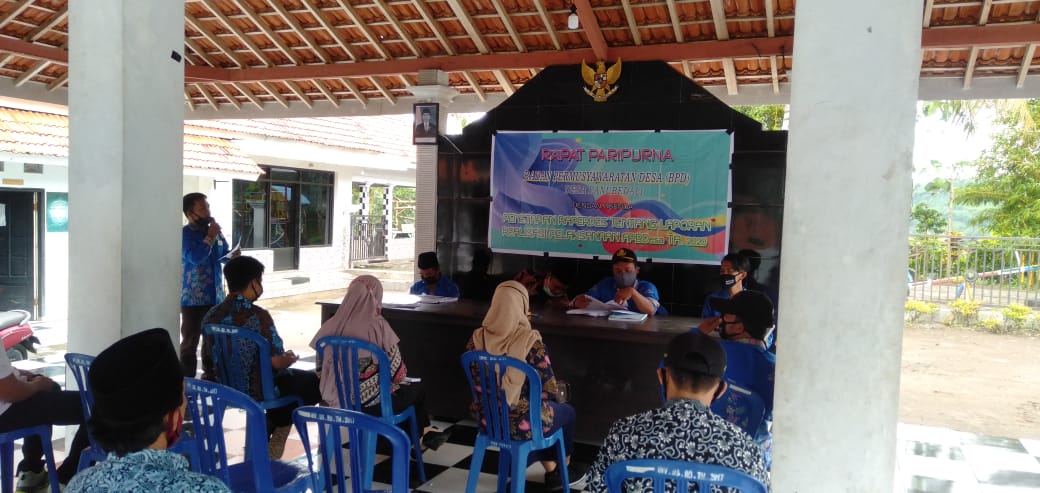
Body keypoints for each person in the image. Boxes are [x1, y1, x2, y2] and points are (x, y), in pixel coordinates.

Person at [584, 331, 770, 492]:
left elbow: (597, 488)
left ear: (662, 376)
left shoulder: (623, 434)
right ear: (721, 389)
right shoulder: (745, 449)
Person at [66, 328, 230, 492]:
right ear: (172, 418)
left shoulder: (78, 484)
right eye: (183, 395)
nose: (185, 403)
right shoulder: (207, 489)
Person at [465, 281, 587, 491]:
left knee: (538, 413)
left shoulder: (475, 339)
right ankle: (560, 472)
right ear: (522, 306)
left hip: (488, 419)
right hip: (524, 424)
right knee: (564, 412)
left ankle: (548, 468)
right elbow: (548, 389)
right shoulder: (530, 343)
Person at [310, 275, 450, 450]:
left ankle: (421, 437)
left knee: (401, 395)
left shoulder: (330, 325)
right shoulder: (378, 326)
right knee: (415, 391)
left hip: (336, 400)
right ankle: (418, 439)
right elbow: (398, 374)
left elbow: (320, 369)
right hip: (372, 405)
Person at [201, 256, 320, 459]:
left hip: (221, 386)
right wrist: (288, 358)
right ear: (253, 283)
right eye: (260, 281)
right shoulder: (258, 316)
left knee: (292, 382)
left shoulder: (212, 314)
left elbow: (207, 357)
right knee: (311, 383)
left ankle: (272, 425)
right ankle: (278, 428)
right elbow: (276, 361)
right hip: (256, 390)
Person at [697, 290, 777, 465]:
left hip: (708, 452)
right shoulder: (776, 367)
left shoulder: (712, 355)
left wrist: (695, 336)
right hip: (755, 460)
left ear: (739, 327)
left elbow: (671, 380)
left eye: (725, 317)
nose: (720, 320)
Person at [0, 350, 88, 491]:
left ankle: (32, 471)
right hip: (5, 412)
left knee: (51, 387)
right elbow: (11, 392)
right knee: (94, 406)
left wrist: (15, 374)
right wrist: (37, 385)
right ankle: (67, 479)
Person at [181, 192, 234, 378]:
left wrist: (232, 256)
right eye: (202, 209)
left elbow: (223, 254)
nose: (208, 212)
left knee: (212, 341)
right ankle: (186, 381)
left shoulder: (214, 231)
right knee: (190, 341)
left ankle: (209, 378)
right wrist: (210, 237)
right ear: (191, 214)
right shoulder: (185, 234)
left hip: (215, 296)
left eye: (208, 207)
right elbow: (195, 257)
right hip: (193, 298)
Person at [573, 248, 666, 316]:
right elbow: (587, 299)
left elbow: (650, 310)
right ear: (613, 271)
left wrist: (633, 292)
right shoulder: (606, 283)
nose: (623, 274)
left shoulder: (646, 286)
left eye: (628, 270)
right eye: (618, 270)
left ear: (637, 270)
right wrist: (576, 302)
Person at [701, 252, 751, 319]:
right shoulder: (712, 299)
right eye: (722, 271)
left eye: (730, 271)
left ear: (742, 275)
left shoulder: (751, 300)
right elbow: (705, 323)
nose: (725, 274)